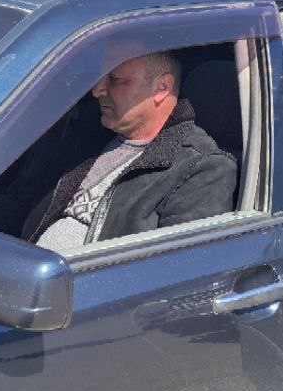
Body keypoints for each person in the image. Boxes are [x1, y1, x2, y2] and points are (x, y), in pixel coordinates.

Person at [29, 52, 237, 251]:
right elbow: (24, 196)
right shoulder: (87, 132)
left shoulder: (202, 169)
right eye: (100, 75)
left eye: (115, 78)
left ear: (162, 87)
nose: (97, 90)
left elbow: (177, 267)